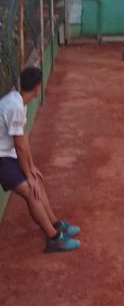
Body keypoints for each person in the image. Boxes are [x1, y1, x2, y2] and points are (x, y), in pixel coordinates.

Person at [0, 67, 80, 252]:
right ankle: (54, 239)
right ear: (37, 87)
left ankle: (56, 224)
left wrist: (31, 167)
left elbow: (23, 139)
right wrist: (27, 175)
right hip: (2, 157)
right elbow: (19, 145)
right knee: (31, 191)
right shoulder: (15, 106)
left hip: (7, 154)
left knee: (36, 181)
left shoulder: (20, 101)